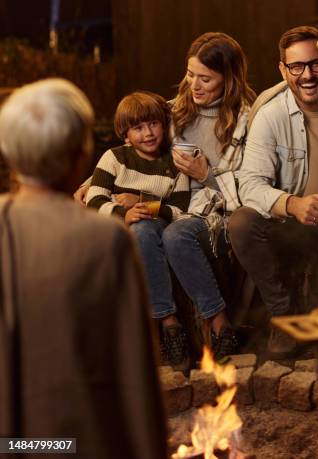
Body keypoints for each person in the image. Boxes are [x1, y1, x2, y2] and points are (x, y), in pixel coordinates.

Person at [0, 78, 166, 459]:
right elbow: (133, 368)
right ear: (81, 152)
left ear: (10, 154)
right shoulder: (104, 239)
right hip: (79, 439)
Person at [77, 32, 256, 364]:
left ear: (229, 80)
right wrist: (93, 183)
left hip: (215, 210)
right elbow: (136, 147)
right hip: (172, 204)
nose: (194, 85)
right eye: (190, 75)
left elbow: (253, 186)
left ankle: (220, 325)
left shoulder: (248, 119)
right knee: (145, 232)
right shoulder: (174, 111)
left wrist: (206, 175)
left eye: (205, 78)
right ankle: (170, 327)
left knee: (175, 234)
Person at [228, 26, 318, 356]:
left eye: (315, 64)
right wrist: (292, 204)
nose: (307, 75)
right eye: (296, 66)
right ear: (283, 69)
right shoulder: (271, 115)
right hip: (290, 223)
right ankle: (285, 317)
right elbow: (249, 184)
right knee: (241, 222)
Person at [86, 91, 192, 369]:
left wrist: (144, 204)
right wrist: (124, 213)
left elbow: (180, 209)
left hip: (153, 228)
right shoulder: (114, 158)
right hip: (116, 228)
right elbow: (94, 198)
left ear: (163, 124)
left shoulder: (174, 163)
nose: (148, 133)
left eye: (153, 124)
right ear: (125, 134)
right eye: (138, 127)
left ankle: (169, 325)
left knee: (144, 231)